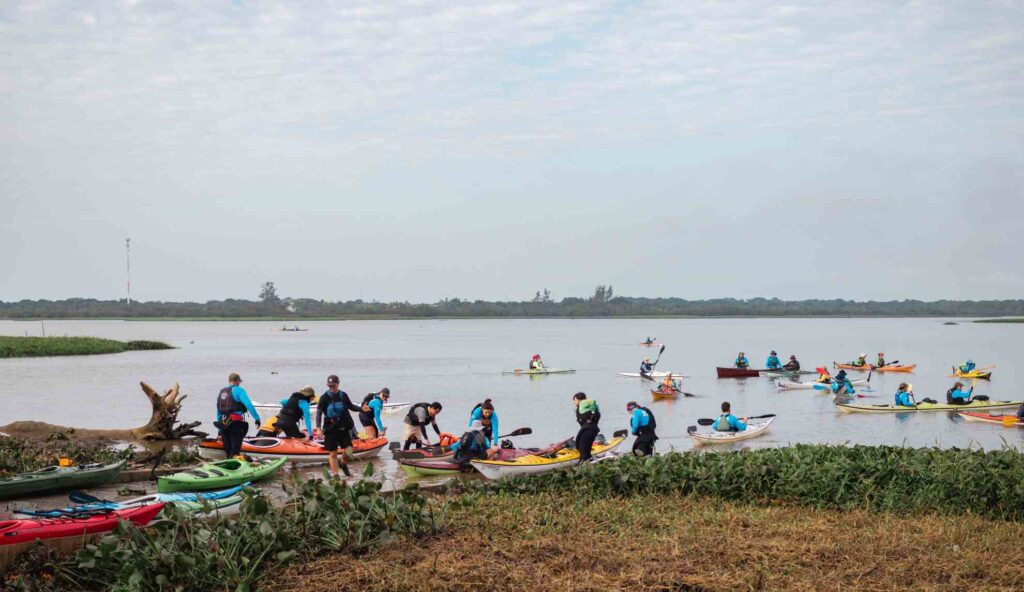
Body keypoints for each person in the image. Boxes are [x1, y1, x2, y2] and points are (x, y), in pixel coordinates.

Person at [315, 375, 362, 478]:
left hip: (343, 428)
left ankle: (343, 463)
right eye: (330, 386)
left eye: (334, 385)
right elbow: (318, 413)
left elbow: (351, 406)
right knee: (333, 454)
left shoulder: (343, 395)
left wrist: (362, 409)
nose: (332, 387)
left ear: (338, 384)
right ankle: (336, 475)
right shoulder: (324, 398)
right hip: (330, 430)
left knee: (349, 450)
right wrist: (318, 428)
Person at [214, 373, 261, 460]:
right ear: (237, 381)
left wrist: (220, 430)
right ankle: (236, 469)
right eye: (239, 382)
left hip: (223, 423)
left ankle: (228, 467)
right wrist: (257, 418)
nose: (239, 383)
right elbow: (248, 404)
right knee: (235, 450)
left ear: (229, 381)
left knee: (228, 450)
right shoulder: (239, 390)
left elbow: (218, 410)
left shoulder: (222, 392)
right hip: (235, 423)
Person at [572, 392, 601, 463]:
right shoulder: (590, 408)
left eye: (574, 400)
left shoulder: (584, 407)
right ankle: (589, 463)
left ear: (578, 399)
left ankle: (584, 465)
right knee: (586, 449)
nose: (573, 402)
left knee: (582, 449)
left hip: (588, 430)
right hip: (592, 430)